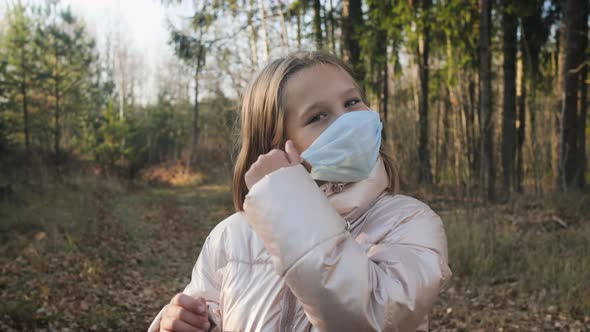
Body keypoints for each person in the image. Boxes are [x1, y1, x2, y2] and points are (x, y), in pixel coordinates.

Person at [148, 51, 452, 332]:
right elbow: (205, 315)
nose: (347, 120)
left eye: (352, 102)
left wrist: (288, 204)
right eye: (318, 116)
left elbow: (370, 317)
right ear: (275, 144)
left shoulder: (409, 222)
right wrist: (176, 324)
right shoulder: (229, 238)